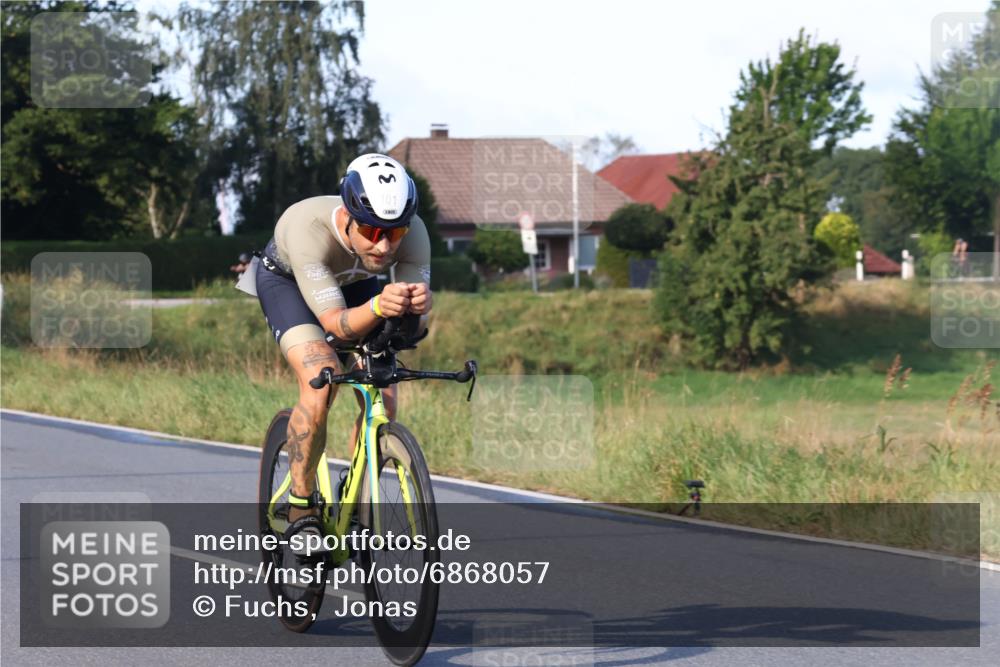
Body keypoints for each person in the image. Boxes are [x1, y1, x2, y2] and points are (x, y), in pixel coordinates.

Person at [255, 153, 432, 546]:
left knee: (384, 390)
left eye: (395, 232)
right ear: (349, 217)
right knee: (322, 382)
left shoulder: (414, 232)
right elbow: (335, 324)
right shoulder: (307, 228)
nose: (385, 247)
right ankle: (300, 505)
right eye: (371, 232)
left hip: (355, 287)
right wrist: (378, 307)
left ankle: (357, 497)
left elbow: (412, 331)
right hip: (290, 286)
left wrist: (419, 310)